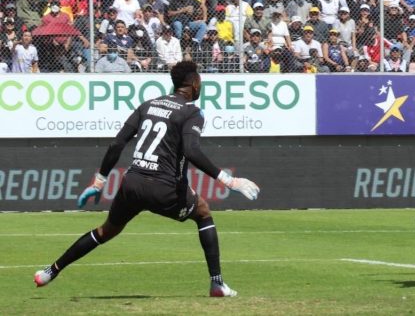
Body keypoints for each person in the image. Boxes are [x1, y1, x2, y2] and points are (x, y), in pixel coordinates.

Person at [33, 62, 260, 296]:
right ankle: (217, 284)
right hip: (164, 188)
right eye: (199, 80)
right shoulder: (192, 111)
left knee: (106, 231)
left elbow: (117, 143)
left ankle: (50, 271)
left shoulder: (148, 105)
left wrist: (100, 180)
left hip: (131, 183)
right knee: (202, 211)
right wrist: (228, 181)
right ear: (193, 83)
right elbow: (192, 152)